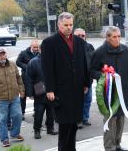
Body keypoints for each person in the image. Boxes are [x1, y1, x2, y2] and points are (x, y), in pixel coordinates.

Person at [41, 12, 90, 151]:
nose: (69, 28)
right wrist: (49, 89)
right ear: (59, 25)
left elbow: (84, 63)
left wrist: (86, 82)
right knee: (64, 125)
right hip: (61, 90)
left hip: (77, 89)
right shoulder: (49, 43)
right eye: (66, 25)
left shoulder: (79, 41)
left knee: (74, 124)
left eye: (71, 25)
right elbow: (47, 68)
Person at [90, 26, 128, 151]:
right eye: (114, 37)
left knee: (121, 118)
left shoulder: (124, 50)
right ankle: (109, 147)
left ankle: (117, 144)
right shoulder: (100, 52)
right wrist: (104, 75)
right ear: (108, 37)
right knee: (111, 119)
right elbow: (92, 71)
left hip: (123, 91)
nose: (117, 39)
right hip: (109, 92)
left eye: (119, 36)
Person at [26, 44, 58, 139]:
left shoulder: (54, 61)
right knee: (39, 112)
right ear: (39, 50)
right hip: (39, 89)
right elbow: (28, 78)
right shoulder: (33, 62)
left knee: (51, 112)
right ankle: (37, 130)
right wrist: (30, 93)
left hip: (52, 89)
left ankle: (50, 128)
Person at [0, 48, 24, 147]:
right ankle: (4, 139)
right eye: (0, 55)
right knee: (1, 120)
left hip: (14, 96)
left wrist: (21, 90)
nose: (2, 56)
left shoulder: (12, 64)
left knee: (18, 115)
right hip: (0, 99)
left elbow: (18, 78)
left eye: (3, 54)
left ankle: (14, 133)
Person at [74, 28, 95, 128]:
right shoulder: (70, 47)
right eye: (78, 35)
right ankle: (78, 120)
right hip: (75, 81)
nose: (81, 37)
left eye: (83, 35)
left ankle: (85, 118)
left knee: (87, 100)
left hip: (88, 79)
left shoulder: (89, 47)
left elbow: (94, 61)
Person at [16, 40, 39, 120]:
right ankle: (22, 112)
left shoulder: (40, 53)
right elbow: (18, 62)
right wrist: (26, 67)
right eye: (34, 47)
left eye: (37, 47)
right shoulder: (23, 53)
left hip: (36, 79)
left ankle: (36, 111)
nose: (36, 49)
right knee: (23, 95)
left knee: (38, 94)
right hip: (25, 77)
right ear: (31, 46)